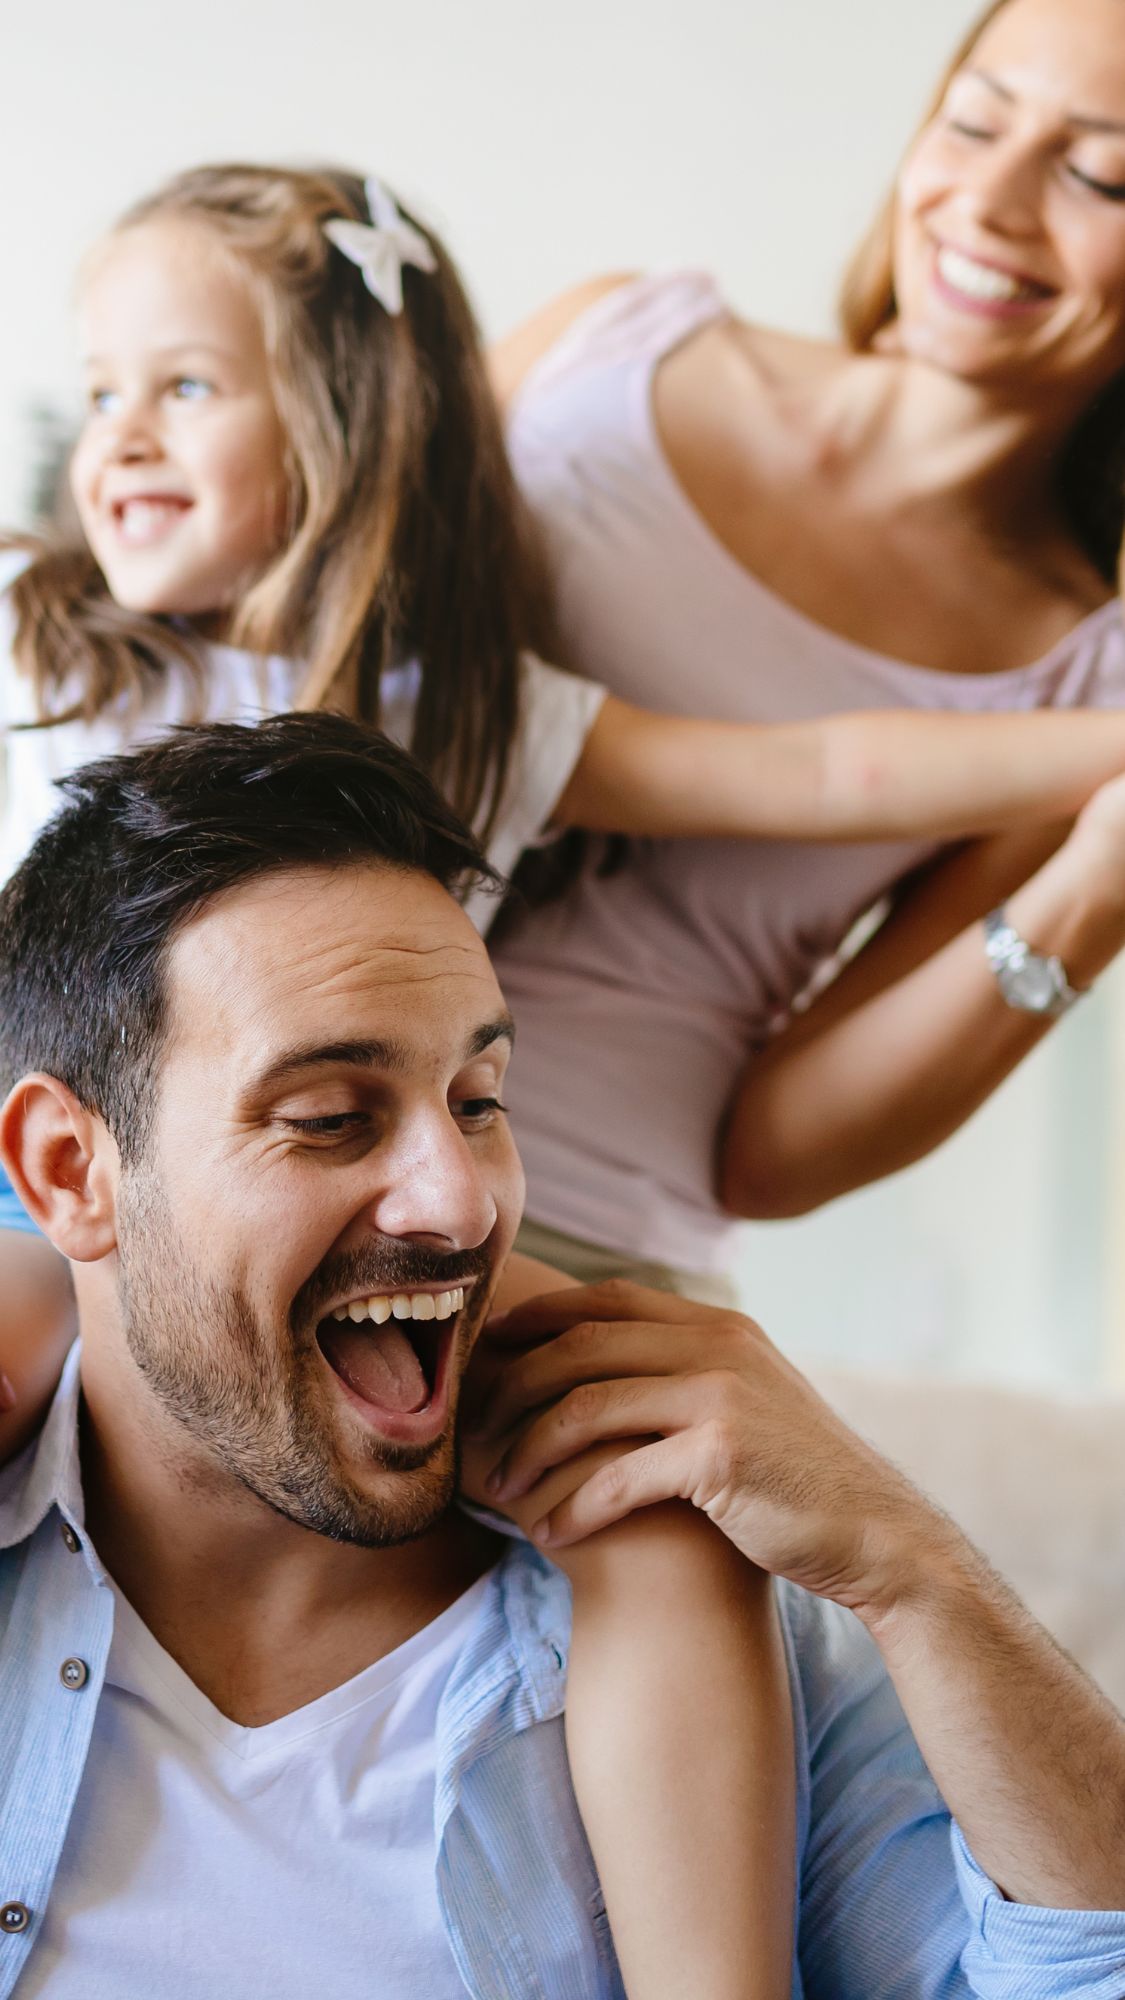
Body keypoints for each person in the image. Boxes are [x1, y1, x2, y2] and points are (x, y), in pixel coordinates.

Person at [3, 153, 1125, 1995]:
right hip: (42, 1200)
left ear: (341, 439)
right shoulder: (54, 640)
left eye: (187, 386)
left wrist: (1100, 768)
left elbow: (826, 776)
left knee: (651, 1521)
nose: (122, 433)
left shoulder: (474, 709)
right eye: (104, 385)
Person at [0, 713, 1123, 2000]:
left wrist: (918, 1570)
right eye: (331, 1116)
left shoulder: (711, 1617)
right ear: (70, 1170)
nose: (462, 1202)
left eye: (479, 1100)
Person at [489, 0, 1125, 1295]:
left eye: (1100, 174)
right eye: (975, 123)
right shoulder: (606, 341)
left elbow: (768, 1160)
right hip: (231, 1134)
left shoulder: (1081, 681)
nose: (988, 200)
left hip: (581, 1246)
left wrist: (1099, 887)